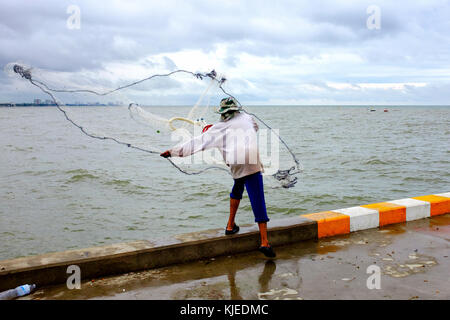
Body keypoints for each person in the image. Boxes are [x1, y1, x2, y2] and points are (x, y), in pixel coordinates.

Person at [160, 97, 275, 258]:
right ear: (236, 110)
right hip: (251, 159)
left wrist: (172, 152)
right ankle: (264, 242)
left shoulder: (218, 127)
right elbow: (255, 127)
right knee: (257, 198)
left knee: (238, 185)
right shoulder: (247, 117)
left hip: (235, 161)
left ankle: (230, 225)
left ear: (222, 113)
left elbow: (196, 143)